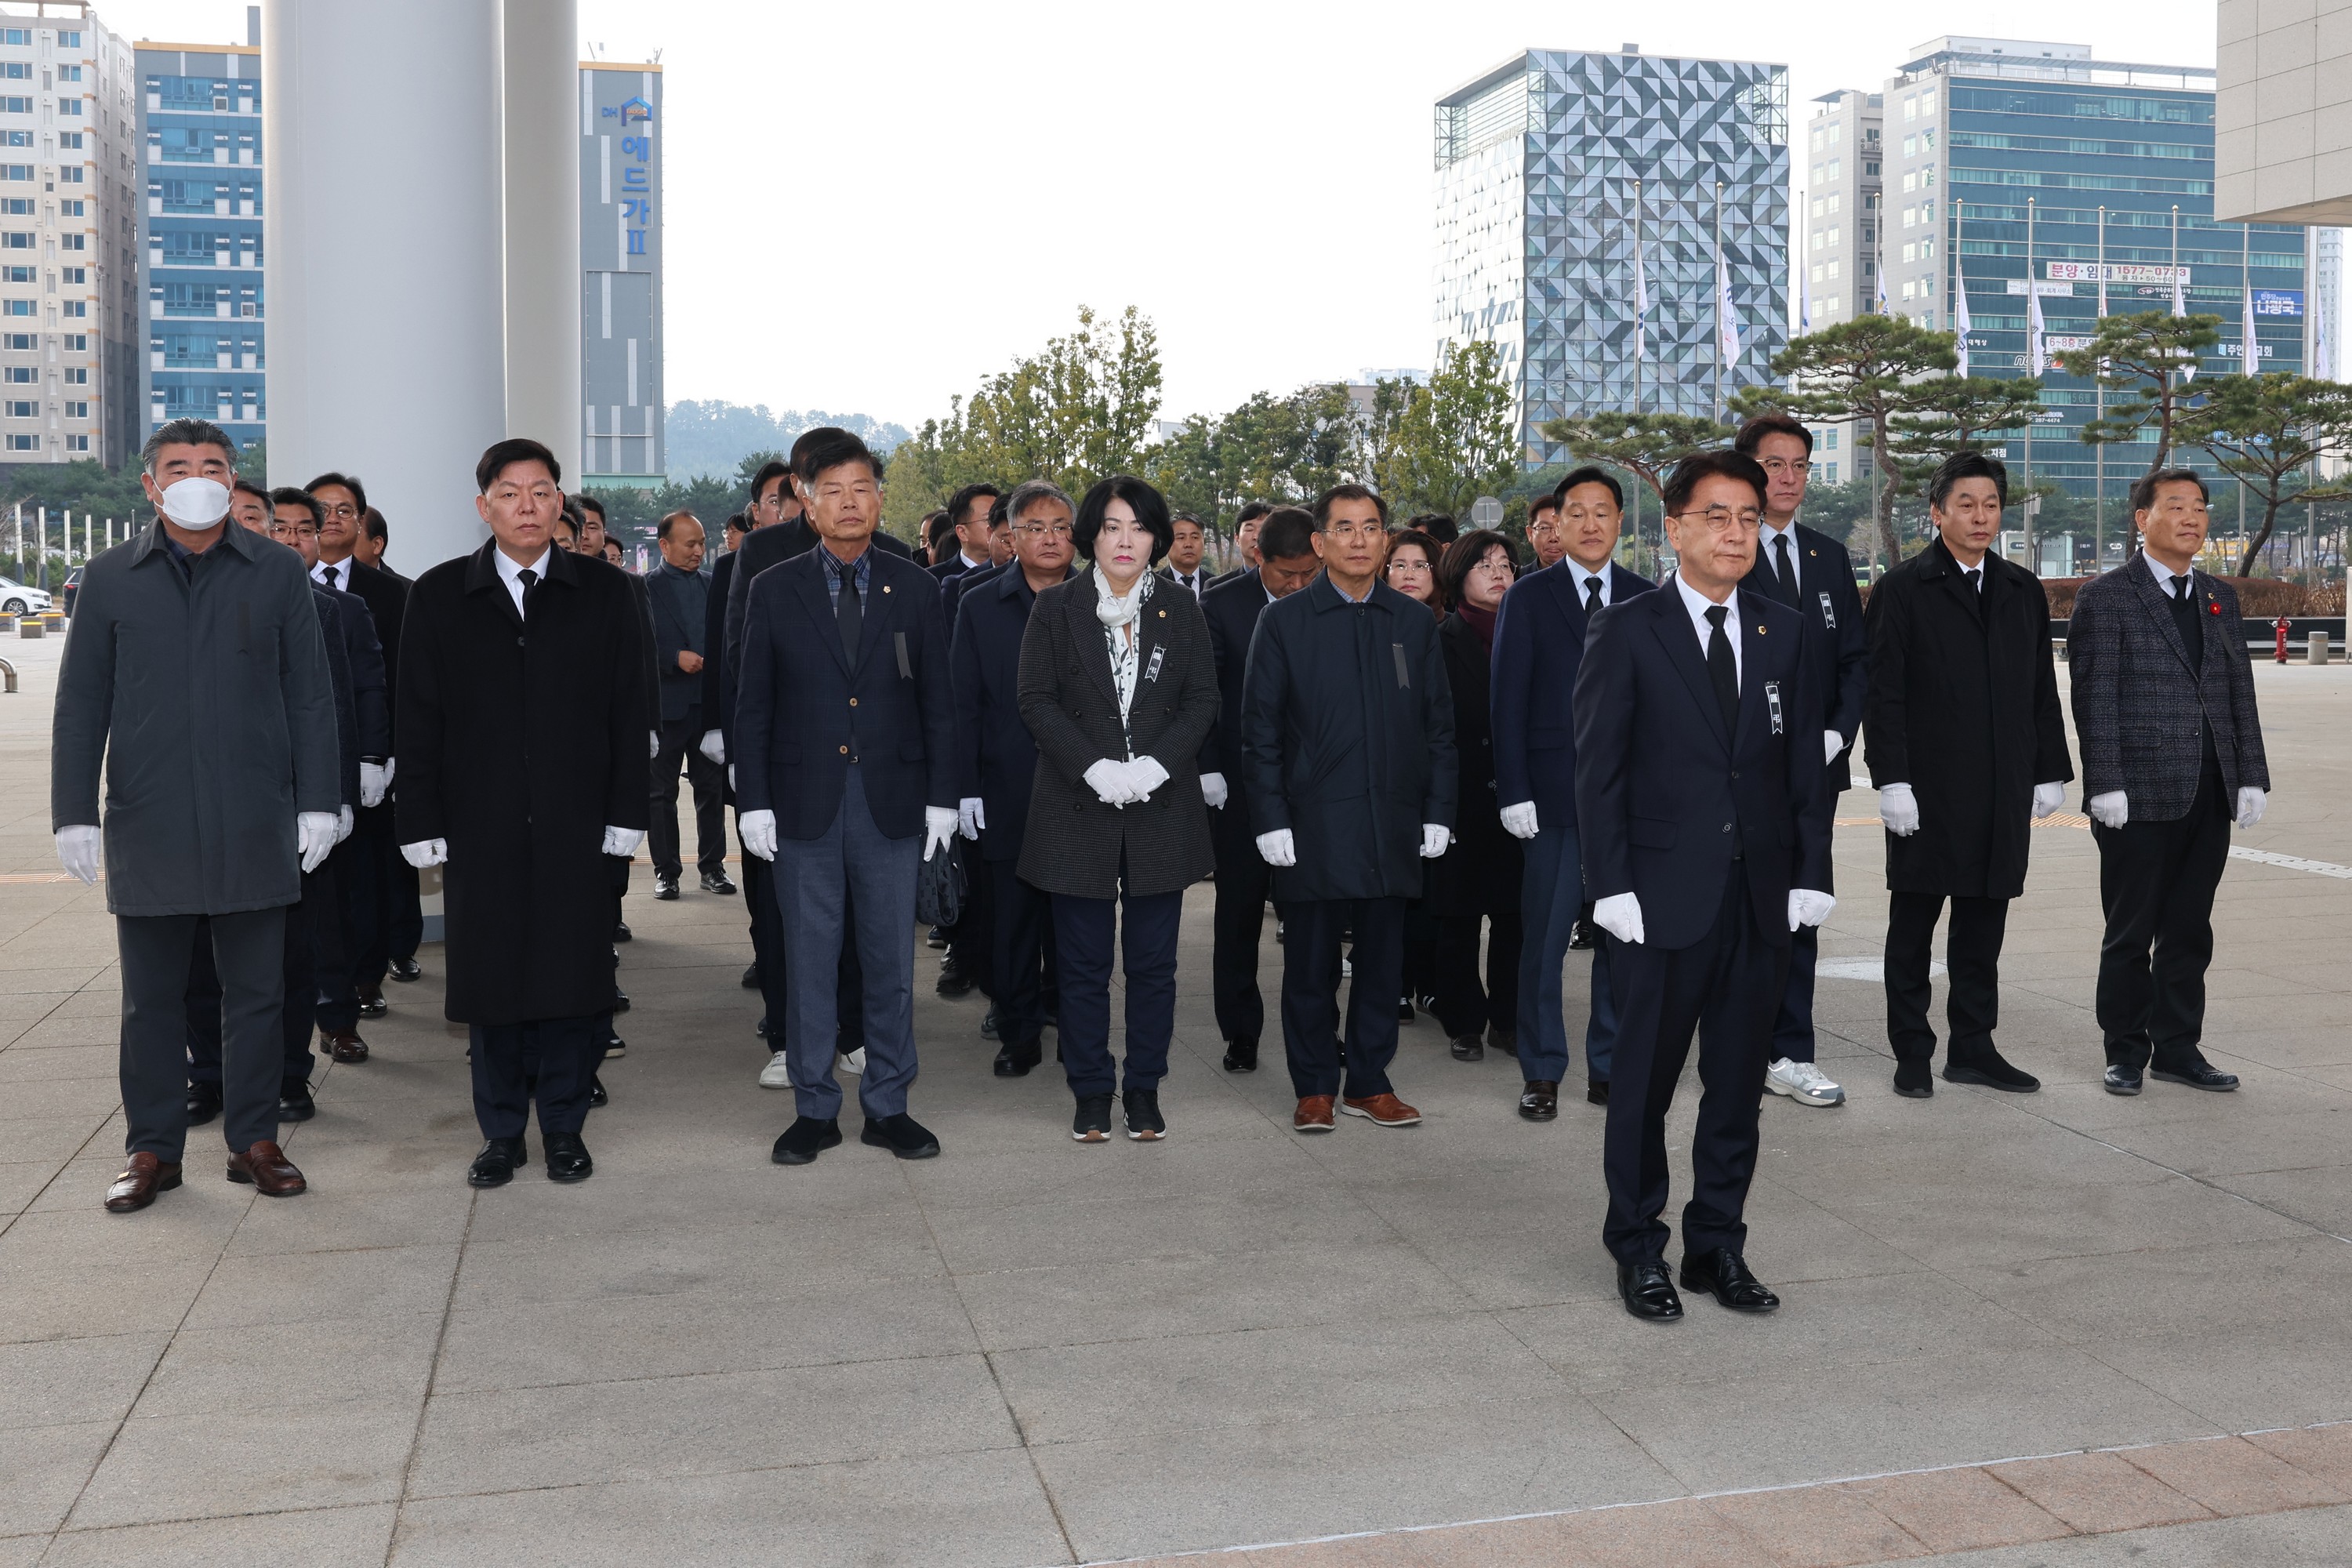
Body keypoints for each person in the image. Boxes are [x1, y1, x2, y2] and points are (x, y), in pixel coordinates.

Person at [1574, 449, 1834, 1321]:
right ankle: (1638, 1245)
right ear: (1675, 527)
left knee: (1735, 1085)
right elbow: (1597, 768)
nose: (1735, 532)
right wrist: (1609, 884)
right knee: (1643, 1085)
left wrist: (1811, 872)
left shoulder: (1783, 629)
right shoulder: (1628, 626)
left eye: (1748, 517)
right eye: (1717, 516)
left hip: (1757, 899)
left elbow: (1804, 766)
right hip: (1657, 900)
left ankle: (1716, 1243)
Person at [55, 418, 336, 1212]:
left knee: (257, 992)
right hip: (149, 818)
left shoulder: (277, 572)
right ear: (151, 484)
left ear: (233, 475)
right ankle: (152, 1148)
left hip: (254, 814)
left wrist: (318, 799)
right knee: (152, 997)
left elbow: (309, 695)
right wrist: (73, 811)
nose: (196, 476)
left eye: (212, 464)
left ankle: (253, 1138)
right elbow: (82, 703)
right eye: (178, 465)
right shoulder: (110, 577)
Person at [396, 437, 652, 1188]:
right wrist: (420, 817)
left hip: (579, 823)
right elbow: (417, 718)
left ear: (559, 502)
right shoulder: (440, 595)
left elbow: (628, 708)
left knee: (574, 979)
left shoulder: (606, 593)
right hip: (482, 824)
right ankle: (501, 1133)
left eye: (541, 491)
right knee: (492, 982)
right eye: (510, 493)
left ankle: (566, 1128)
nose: (527, 506)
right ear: (485, 507)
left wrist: (628, 810)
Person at [735, 430, 958, 1167]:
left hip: (893, 802)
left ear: (881, 497)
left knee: (892, 962)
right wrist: (754, 798)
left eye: (862, 488)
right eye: (832, 490)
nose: (849, 503)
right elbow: (754, 703)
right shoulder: (774, 586)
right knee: (808, 959)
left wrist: (944, 799)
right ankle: (814, 1109)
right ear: (806, 499)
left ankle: (889, 1104)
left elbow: (939, 703)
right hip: (803, 803)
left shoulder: (917, 587)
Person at [1242, 483, 1457, 1134]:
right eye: (1344, 528)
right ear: (1319, 542)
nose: (1359, 540)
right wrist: (1271, 817)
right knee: (1309, 965)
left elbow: (1438, 727)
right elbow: (1261, 732)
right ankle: (1314, 1086)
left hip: (1390, 820)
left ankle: (1368, 1081)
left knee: (1381, 962)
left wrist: (1438, 810)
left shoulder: (1414, 622)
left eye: (1371, 528)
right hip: (1313, 823)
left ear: (1387, 540)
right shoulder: (1283, 622)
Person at [1863, 450, 2073, 1099]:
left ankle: (1973, 1047)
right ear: (1936, 512)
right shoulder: (1903, 588)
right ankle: (1911, 1052)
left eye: (1990, 505)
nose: (1980, 517)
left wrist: (2048, 769)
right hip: (1928, 790)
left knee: (1984, 926)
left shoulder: (2019, 588)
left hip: (2002, 786)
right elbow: (1883, 692)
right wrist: (1890, 779)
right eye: (1966, 505)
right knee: (1915, 925)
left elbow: (2041, 686)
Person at [1016, 476, 1220, 1141]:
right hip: (1077, 807)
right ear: (1092, 538)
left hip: (1162, 811)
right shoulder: (1056, 609)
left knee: (1154, 965)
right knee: (1081, 965)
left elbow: (1202, 703)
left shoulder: (1182, 611)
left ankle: (1144, 1088)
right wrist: (1095, 767)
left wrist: (1157, 767)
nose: (1124, 539)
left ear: (1156, 538)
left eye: (1137, 527)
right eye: (1110, 526)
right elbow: (1036, 701)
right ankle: (1091, 1088)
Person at [2070, 469, 2267, 1096]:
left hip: (2209, 790)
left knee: (2189, 929)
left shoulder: (2218, 597)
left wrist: (2251, 776)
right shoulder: (2108, 596)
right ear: (2141, 518)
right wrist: (2105, 782)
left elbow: (2239, 690)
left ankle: (2179, 1048)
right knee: (2130, 932)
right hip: (2136, 794)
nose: (2191, 518)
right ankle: (2124, 1051)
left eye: (2200, 508)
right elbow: (2093, 697)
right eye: (2175, 506)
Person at [180, 481, 364, 1133]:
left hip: (291, 814)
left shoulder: (324, 609)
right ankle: (208, 1074)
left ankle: (288, 1072)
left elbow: (334, 708)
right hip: (201, 809)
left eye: (270, 521)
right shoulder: (182, 603)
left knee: (289, 952)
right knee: (200, 952)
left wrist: (335, 798)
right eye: (251, 520)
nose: (265, 532)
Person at [1493, 466, 1657, 1118]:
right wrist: (1514, 789)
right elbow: (1508, 699)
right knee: (1545, 941)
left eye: (1603, 512)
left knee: (1621, 940)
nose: (1590, 525)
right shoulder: (1528, 598)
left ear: (1621, 522)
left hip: (1627, 803)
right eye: (1577, 513)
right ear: (1555, 524)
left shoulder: (1649, 597)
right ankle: (1541, 1068)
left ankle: (1610, 1066)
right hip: (1553, 801)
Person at [1735, 412, 1867, 1110]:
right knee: (1737, 909)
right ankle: (1736, 1039)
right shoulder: (1726, 550)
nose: (1787, 478)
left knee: (1801, 905)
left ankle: (1790, 1048)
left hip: (1814, 768)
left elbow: (1854, 660)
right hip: (1739, 769)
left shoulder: (1826, 556)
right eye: (1773, 464)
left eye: (1799, 466)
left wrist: (1835, 734)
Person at [951, 479, 1076, 1077]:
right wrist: (965, 786)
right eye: (1035, 528)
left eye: (1060, 528)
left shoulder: (1101, 599)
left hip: (1085, 794)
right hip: (1006, 789)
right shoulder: (979, 604)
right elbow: (963, 703)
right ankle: (1019, 1030)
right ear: (1011, 536)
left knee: (1077, 925)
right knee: (1012, 924)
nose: (1049, 539)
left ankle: (1077, 1031)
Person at [1199, 506, 1319, 1073]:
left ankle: (1318, 1029)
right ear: (1257, 558)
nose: (1297, 586)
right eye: (1285, 575)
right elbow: (1203, 695)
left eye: (1307, 575)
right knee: (1241, 912)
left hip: (1315, 785)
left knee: (1312, 916)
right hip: (1242, 783)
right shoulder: (1221, 606)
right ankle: (1241, 1030)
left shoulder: (1333, 603)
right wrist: (1208, 766)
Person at [307, 472, 419, 1004]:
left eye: (345, 509)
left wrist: (387, 753)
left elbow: (400, 680)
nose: (334, 518)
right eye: (322, 509)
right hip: (304, 763)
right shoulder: (279, 585)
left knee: (370, 875)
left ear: (360, 523)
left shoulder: (392, 594)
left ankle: (365, 978)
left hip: (371, 760)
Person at [1427, 530, 1523, 1062]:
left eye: (1507, 565)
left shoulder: (1528, 634)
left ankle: (1508, 1020)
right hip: (1459, 800)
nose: (1500, 574)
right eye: (1486, 564)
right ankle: (1464, 1019)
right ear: (1459, 574)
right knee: (1458, 918)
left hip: (1518, 801)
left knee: (1515, 919)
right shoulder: (1439, 640)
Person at [647, 510, 731, 899]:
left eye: (701, 543)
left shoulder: (715, 586)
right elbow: (638, 645)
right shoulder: (645, 588)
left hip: (707, 706)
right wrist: (673, 657)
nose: (699, 550)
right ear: (664, 545)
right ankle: (667, 871)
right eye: (691, 544)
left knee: (710, 789)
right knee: (660, 793)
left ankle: (713, 867)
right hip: (667, 707)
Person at [931, 484, 999, 580]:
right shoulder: (935, 579)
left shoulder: (1015, 571)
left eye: (1000, 519)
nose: (997, 525)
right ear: (962, 532)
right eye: (988, 519)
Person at [1384, 528, 1443, 616]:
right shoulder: (1368, 624)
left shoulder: (1454, 629)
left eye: (1420, 566)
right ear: (1386, 573)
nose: (1409, 575)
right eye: (1400, 566)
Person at [1212, 500, 1272, 585]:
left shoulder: (1291, 585)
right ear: (1237, 539)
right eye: (1249, 530)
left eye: (1263, 529)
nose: (1256, 537)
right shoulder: (1217, 587)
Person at [1166, 512, 1210, 597]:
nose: (1188, 544)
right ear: (1167, 542)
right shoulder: (1152, 585)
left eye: (1195, 537)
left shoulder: (1218, 586)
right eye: (1181, 538)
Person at [1524, 492, 1567, 571]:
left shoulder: (1592, 580)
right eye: (1544, 528)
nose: (1553, 538)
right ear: (1530, 533)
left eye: (1560, 527)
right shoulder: (1517, 580)